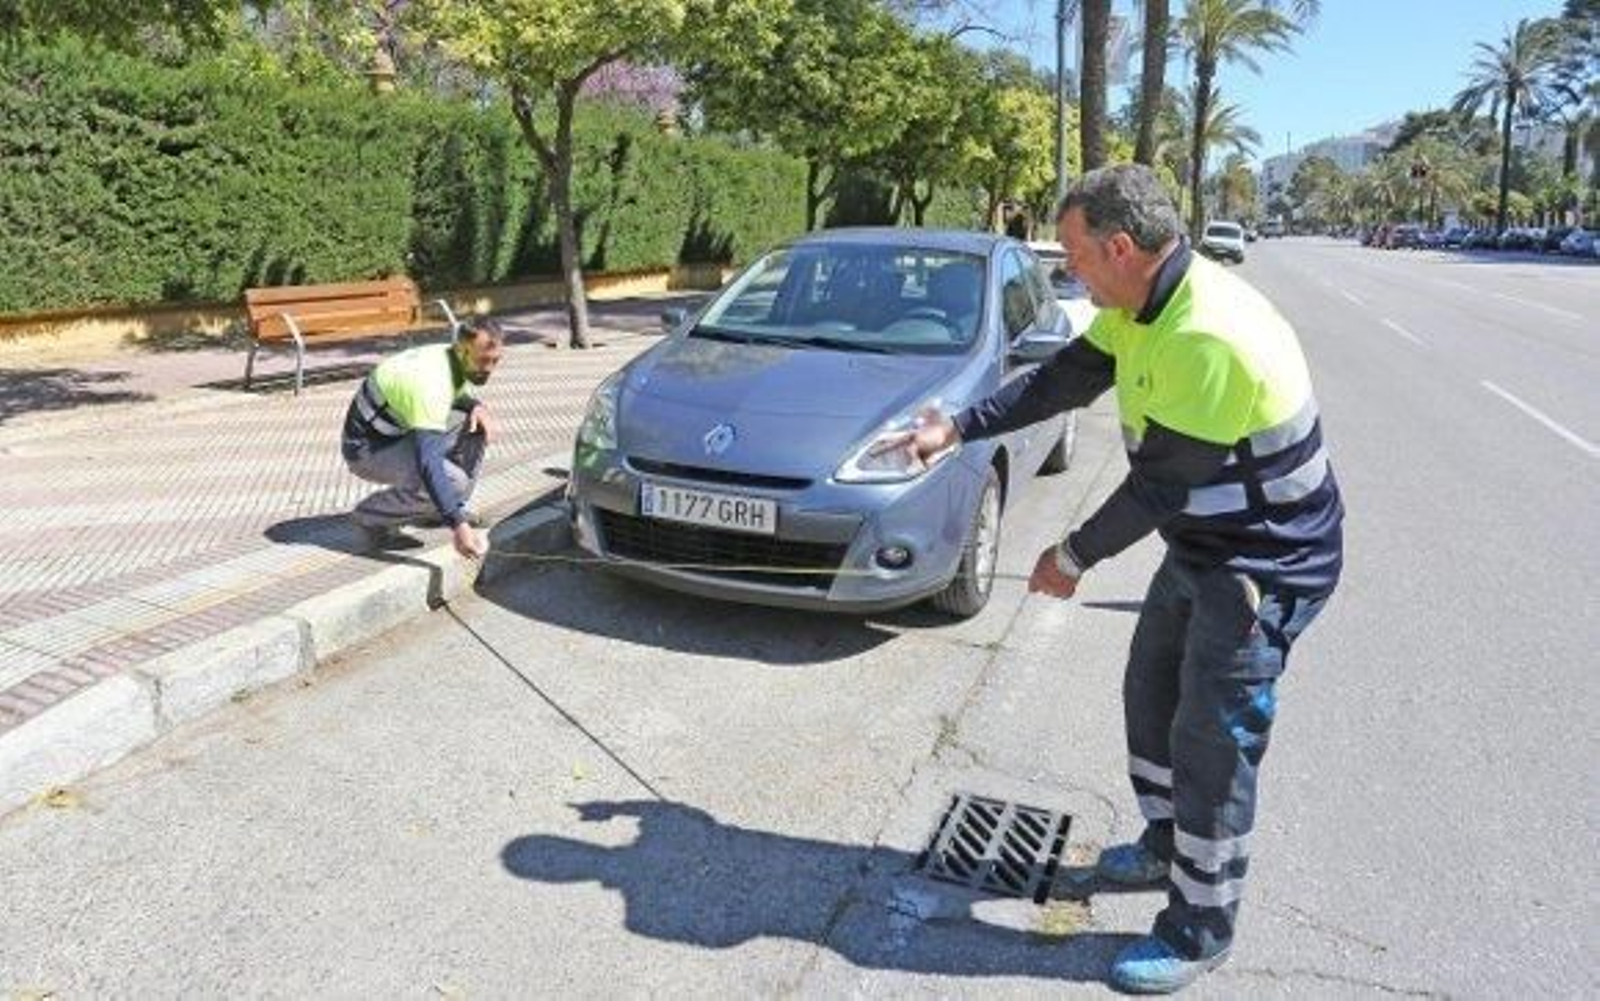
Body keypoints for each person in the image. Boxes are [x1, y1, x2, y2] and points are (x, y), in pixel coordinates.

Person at [891, 164, 1343, 993]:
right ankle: (1165, 842)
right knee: (1150, 694)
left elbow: (1158, 486)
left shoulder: (1206, 333)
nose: (1068, 271)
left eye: (1074, 255)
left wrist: (1071, 557)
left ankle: (1199, 923)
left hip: (1262, 562)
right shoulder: (1142, 302)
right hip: (1205, 543)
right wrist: (956, 426)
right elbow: (1063, 378)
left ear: (1122, 246)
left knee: (1213, 741)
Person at [341, 317, 506, 558]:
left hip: (397, 433)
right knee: (452, 481)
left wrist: (476, 406)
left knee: (474, 425)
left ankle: (442, 507)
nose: (489, 368)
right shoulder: (431, 383)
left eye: (495, 360)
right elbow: (428, 463)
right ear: (462, 350)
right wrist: (458, 527)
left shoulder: (452, 358)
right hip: (366, 450)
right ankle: (369, 516)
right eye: (483, 360)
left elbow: (458, 397)